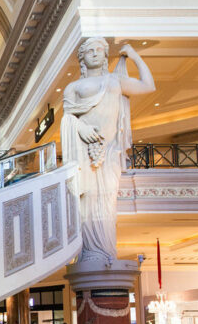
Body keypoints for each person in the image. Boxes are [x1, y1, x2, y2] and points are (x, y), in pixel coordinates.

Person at [61, 38, 155, 263]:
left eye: (99, 50)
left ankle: (104, 252)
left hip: (109, 153)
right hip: (86, 153)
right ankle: (89, 253)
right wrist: (80, 128)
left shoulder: (115, 80)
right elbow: (67, 120)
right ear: (82, 58)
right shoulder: (73, 88)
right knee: (87, 202)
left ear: (105, 55)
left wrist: (133, 55)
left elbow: (148, 85)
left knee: (106, 203)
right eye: (89, 50)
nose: (94, 53)